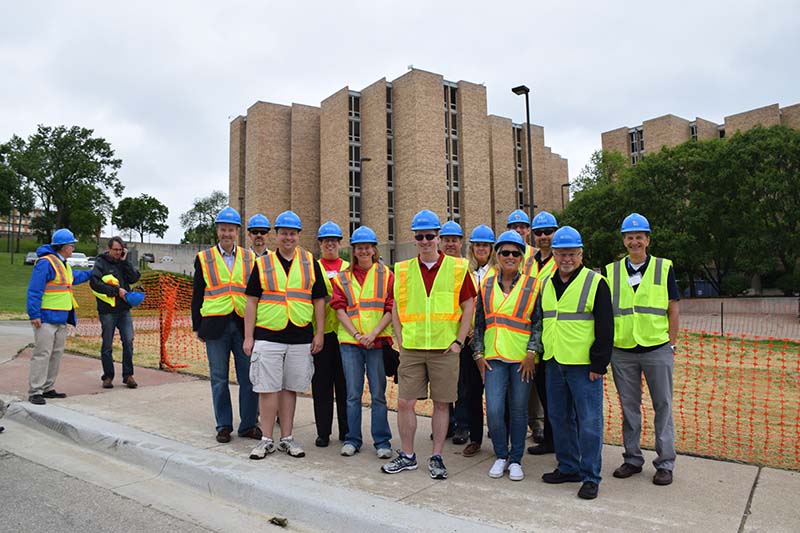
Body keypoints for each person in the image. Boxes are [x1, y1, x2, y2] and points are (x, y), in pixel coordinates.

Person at [381, 210, 476, 480]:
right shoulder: (401, 269)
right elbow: (396, 308)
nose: (425, 241)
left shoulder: (458, 268)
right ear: (414, 239)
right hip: (411, 349)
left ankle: (436, 457)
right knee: (404, 403)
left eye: (430, 236)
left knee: (442, 404)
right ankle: (408, 456)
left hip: (445, 349)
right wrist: (399, 338)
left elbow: (469, 304)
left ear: (438, 237)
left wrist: (459, 341)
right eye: (420, 237)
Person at [244, 210, 327, 460]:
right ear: (276, 236)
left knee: (290, 388)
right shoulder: (263, 264)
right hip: (268, 334)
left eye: (292, 233)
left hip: (300, 335)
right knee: (267, 389)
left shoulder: (309, 261)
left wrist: (319, 333)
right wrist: (249, 337)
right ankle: (266, 439)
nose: (288, 238)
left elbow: (319, 300)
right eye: (283, 233)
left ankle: (287, 438)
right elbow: (251, 302)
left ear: (298, 236)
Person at [606, 213, 680, 486]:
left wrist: (671, 342)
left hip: (656, 347)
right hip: (623, 349)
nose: (634, 241)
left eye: (639, 237)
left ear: (647, 240)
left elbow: (673, 307)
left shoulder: (663, 267)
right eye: (629, 237)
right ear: (624, 241)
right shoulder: (611, 271)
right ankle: (632, 459)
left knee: (663, 406)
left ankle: (665, 463)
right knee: (629, 407)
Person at [540, 226, 613, 500]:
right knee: (559, 418)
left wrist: (598, 364)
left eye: (571, 254)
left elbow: (606, 327)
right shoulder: (546, 283)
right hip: (554, 362)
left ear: (580, 254)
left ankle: (590, 475)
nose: (566, 259)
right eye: (561, 254)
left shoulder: (596, 283)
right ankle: (568, 466)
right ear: (554, 255)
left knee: (590, 421)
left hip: (584, 367)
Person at [473, 230, 543, 482]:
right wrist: (478, 354)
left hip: (522, 359)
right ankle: (500, 455)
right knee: (493, 410)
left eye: (515, 253)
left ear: (522, 257)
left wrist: (532, 353)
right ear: (497, 255)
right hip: (493, 359)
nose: (510, 256)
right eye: (505, 252)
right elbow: (479, 322)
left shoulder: (533, 285)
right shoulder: (486, 284)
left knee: (519, 411)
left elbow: (538, 323)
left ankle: (515, 459)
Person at [191, 207, 261, 444]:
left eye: (231, 229)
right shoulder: (204, 258)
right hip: (214, 326)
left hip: (243, 325)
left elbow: (255, 294)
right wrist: (196, 326)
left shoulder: (250, 258)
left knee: (248, 378)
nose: (227, 234)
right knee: (219, 378)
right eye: (223, 229)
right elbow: (197, 294)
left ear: (238, 232)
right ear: (217, 231)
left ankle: (248, 424)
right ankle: (224, 425)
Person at [331, 226, 393, 458]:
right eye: (359, 247)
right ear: (354, 251)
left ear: (374, 250)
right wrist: (358, 335)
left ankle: (382, 441)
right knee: (352, 394)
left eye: (367, 247)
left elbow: (390, 308)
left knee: (378, 394)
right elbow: (339, 310)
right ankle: (352, 439)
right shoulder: (342, 278)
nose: (364, 251)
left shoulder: (386, 275)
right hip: (350, 343)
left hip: (376, 343)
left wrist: (373, 334)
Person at [26, 228, 92, 405]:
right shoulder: (46, 263)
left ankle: (47, 388)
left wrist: (93, 273)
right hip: (46, 318)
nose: (73, 248)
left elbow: (74, 278)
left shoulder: (63, 264)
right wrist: (34, 314)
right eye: (71, 245)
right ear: (63, 247)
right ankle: (35, 391)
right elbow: (34, 290)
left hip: (61, 318)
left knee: (55, 354)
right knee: (42, 354)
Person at [459, 224, 496, 458]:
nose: (481, 248)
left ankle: (499, 436)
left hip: (492, 340)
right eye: (477, 245)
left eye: (485, 245)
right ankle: (475, 438)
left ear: (491, 248)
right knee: (471, 392)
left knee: (495, 393)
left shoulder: (499, 270)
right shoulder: (464, 271)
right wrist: (469, 330)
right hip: (468, 340)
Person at [312, 221, 349, 448]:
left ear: (340, 243)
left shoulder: (348, 267)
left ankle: (346, 431)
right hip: (322, 334)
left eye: (334, 241)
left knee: (345, 386)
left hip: (344, 335)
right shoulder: (312, 266)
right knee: (322, 386)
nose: (330, 244)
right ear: (320, 243)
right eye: (326, 241)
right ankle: (323, 432)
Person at [526, 211, 559, 456]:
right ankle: (549, 439)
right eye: (539, 233)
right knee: (543, 391)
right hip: (532, 334)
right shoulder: (528, 261)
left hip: (554, 334)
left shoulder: (562, 260)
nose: (543, 237)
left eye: (548, 232)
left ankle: (557, 439)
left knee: (555, 393)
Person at [90, 236, 142, 389]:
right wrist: (115, 291)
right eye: (115, 250)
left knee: (128, 341)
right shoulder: (101, 262)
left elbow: (134, 278)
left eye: (120, 250)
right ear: (109, 249)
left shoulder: (123, 263)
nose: (118, 253)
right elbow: (95, 283)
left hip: (124, 309)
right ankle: (108, 376)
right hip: (107, 310)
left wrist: (126, 261)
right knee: (107, 344)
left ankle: (128, 375)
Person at [440, 220, 468, 444]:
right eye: (447, 240)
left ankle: (462, 426)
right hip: (443, 334)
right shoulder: (437, 267)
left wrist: (465, 334)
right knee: (443, 384)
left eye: (454, 240)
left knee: (463, 385)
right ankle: (446, 424)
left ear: (461, 242)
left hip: (462, 336)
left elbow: (471, 304)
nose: (450, 244)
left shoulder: (466, 267)